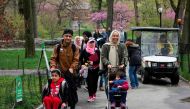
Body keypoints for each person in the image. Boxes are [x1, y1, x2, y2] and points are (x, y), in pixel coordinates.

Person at [50, 29, 80, 109]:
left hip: (70, 73)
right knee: (61, 92)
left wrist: (72, 68)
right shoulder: (58, 47)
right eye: (66, 36)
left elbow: (76, 60)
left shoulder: (74, 47)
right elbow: (53, 58)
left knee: (72, 92)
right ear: (63, 36)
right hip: (60, 73)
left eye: (70, 36)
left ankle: (72, 106)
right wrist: (53, 67)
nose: (68, 38)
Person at [101, 30, 127, 97]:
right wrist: (108, 63)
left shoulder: (122, 46)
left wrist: (123, 64)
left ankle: (121, 101)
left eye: (117, 36)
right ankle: (110, 100)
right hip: (109, 70)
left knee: (122, 86)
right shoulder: (105, 46)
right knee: (108, 86)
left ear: (119, 37)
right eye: (114, 35)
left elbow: (125, 56)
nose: (115, 37)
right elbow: (103, 57)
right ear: (111, 36)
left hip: (120, 70)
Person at [79, 37, 100, 102]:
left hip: (96, 68)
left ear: (94, 43)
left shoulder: (97, 50)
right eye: (90, 42)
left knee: (95, 82)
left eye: (93, 42)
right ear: (88, 43)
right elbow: (80, 59)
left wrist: (93, 62)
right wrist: (83, 64)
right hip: (88, 69)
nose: (91, 44)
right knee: (89, 82)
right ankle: (90, 95)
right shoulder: (85, 50)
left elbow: (99, 60)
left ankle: (94, 93)